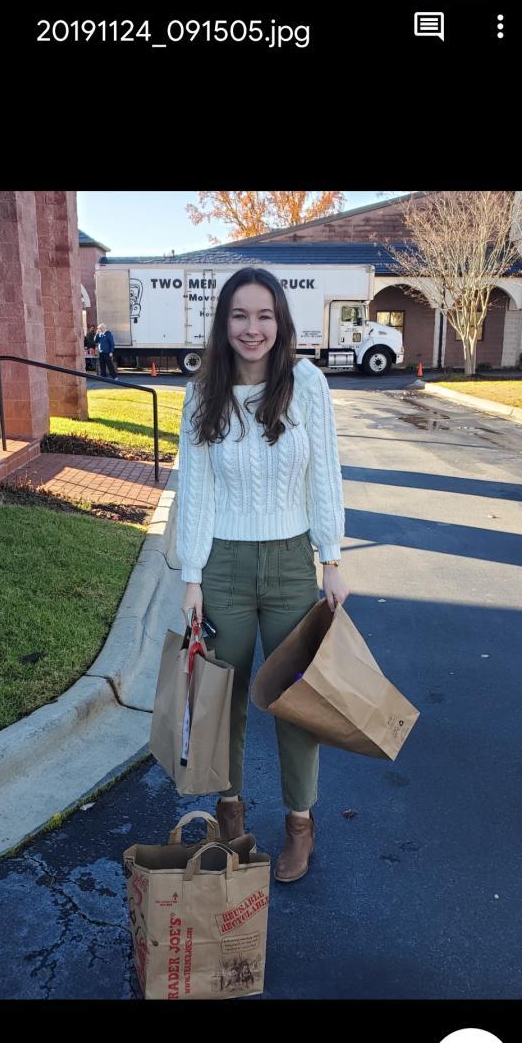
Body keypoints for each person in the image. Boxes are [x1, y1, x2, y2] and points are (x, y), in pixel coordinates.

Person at [176, 267, 349, 883]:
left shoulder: (306, 383)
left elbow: (324, 473)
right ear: (224, 323)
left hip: (290, 566)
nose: (253, 329)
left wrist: (332, 558)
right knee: (223, 699)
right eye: (240, 316)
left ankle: (299, 822)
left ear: (281, 322)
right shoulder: (203, 391)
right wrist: (192, 575)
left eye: (264, 316)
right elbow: (195, 489)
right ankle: (230, 811)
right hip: (222, 566)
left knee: (296, 700)